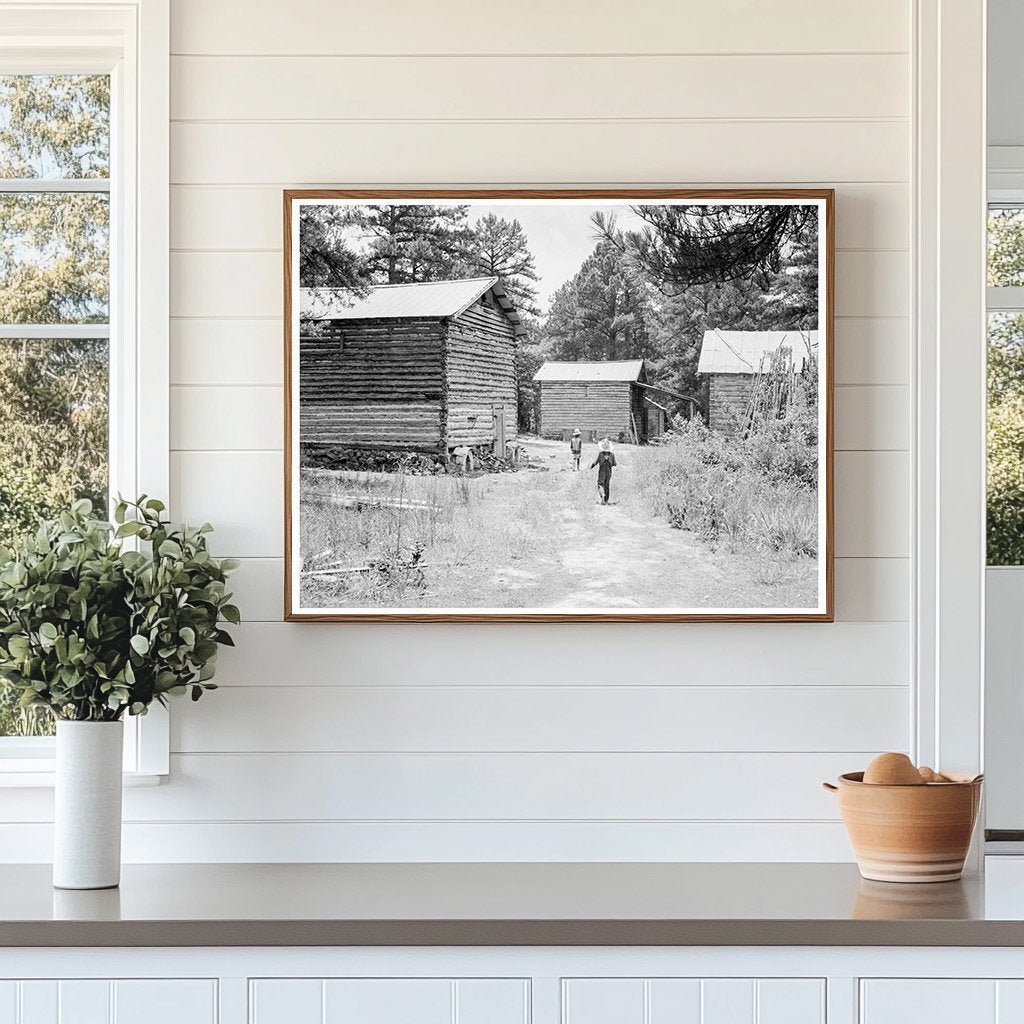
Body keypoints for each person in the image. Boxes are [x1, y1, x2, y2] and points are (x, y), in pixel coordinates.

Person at [590, 438, 616, 504]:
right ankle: (606, 500)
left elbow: (595, 462)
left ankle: (602, 495)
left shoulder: (600, 454)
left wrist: (591, 466)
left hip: (602, 470)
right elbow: (614, 463)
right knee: (607, 485)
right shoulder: (612, 455)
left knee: (600, 484)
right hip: (609, 471)